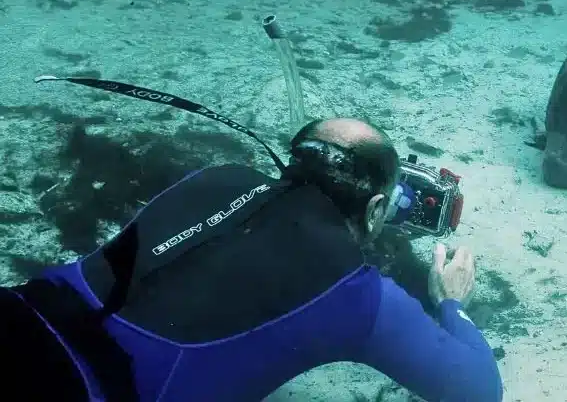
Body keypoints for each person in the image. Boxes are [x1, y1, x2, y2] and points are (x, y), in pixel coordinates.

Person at [1, 117, 503, 402]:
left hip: (22, 313)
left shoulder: (218, 178)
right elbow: (477, 392)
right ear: (376, 209)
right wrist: (449, 302)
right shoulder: (357, 296)